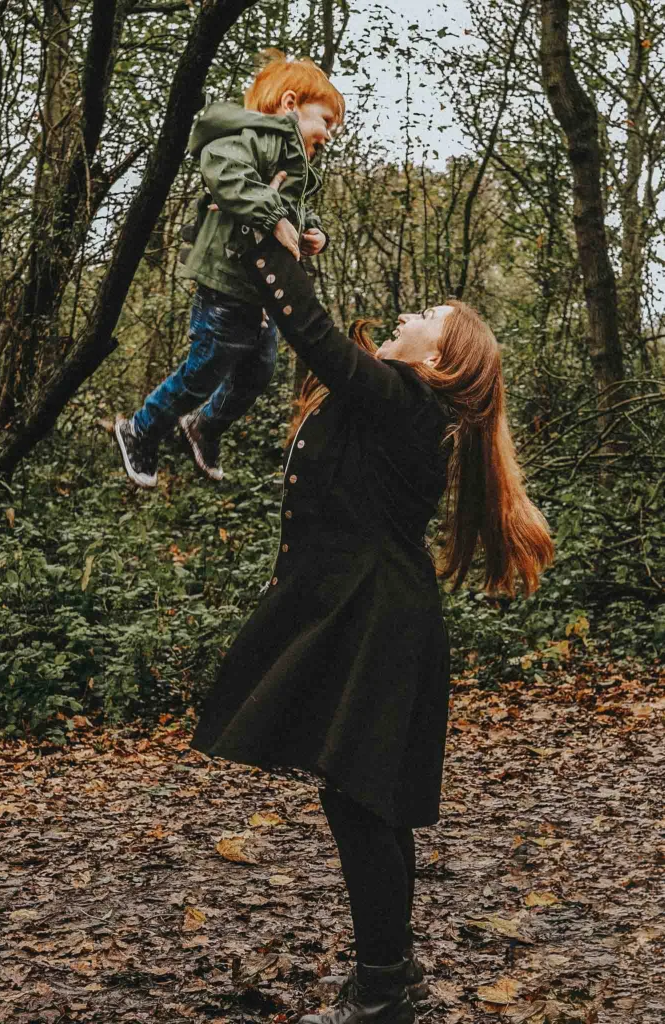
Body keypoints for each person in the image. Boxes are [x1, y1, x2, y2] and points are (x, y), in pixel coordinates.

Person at [191, 229, 555, 1023]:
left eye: (427, 313)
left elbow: (312, 333)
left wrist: (261, 238)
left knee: (361, 801)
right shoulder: (396, 404)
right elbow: (314, 352)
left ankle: (385, 990)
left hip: (377, 618)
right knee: (366, 800)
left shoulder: (404, 400)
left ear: (441, 358)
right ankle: (389, 980)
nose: (407, 311)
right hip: (369, 610)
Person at [115, 52, 344, 488]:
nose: (329, 134)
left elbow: (292, 208)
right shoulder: (249, 137)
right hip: (225, 286)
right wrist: (274, 215)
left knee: (259, 372)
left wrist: (312, 232)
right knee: (206, 367)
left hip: (259, 296)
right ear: (291, 103)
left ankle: (204, 427)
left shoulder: (289, 163)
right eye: (326, 121)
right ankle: (141, 429)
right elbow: (225, 171)